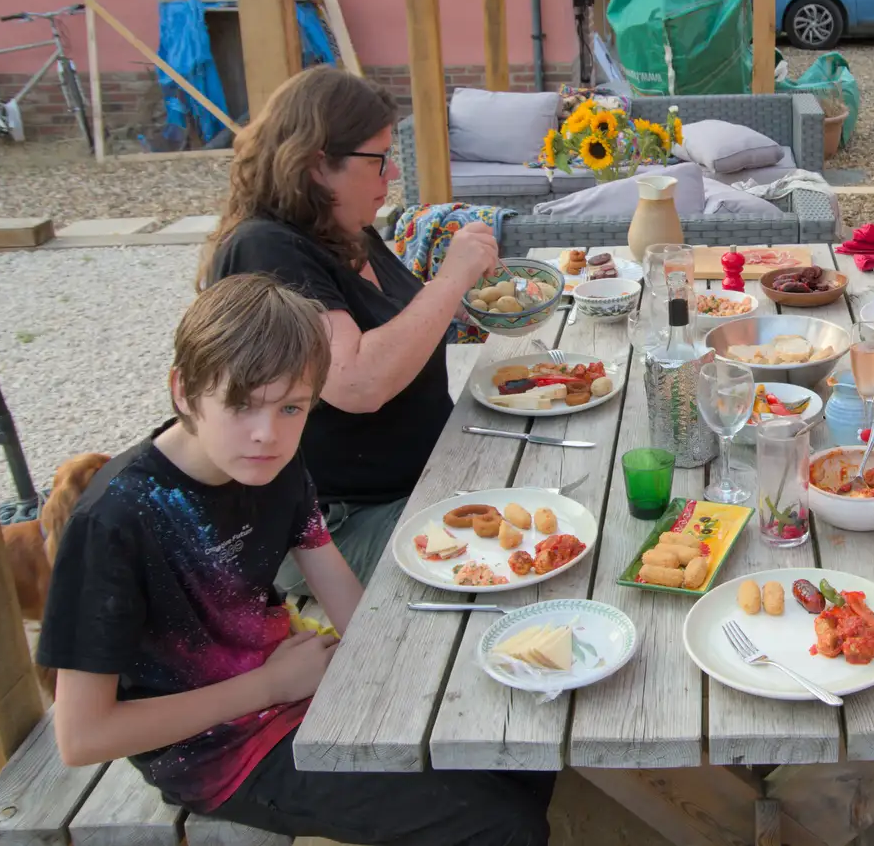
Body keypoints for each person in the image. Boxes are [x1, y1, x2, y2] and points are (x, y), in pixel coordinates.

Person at [37, 275, 552, 846]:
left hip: (300, 681)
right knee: (502, 825)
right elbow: (81, 736)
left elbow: (338, 588)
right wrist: (268, 685)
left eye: (291, 406)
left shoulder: (274, 462)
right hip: (217, 752)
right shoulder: (114, 522)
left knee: (522, 742)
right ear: (183, 392)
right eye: (240, 405)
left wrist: (416, 677)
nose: (267, 434)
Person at [202, 67, 499, 591]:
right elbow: (356, 380)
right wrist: (449, 278)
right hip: (337, 526)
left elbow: (399, 318)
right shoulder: (266, 248)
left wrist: (477, 300)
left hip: (429, 474)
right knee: (526, 550)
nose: (391, 177)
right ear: (318, 165)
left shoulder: (344, 232)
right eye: (378, 160)